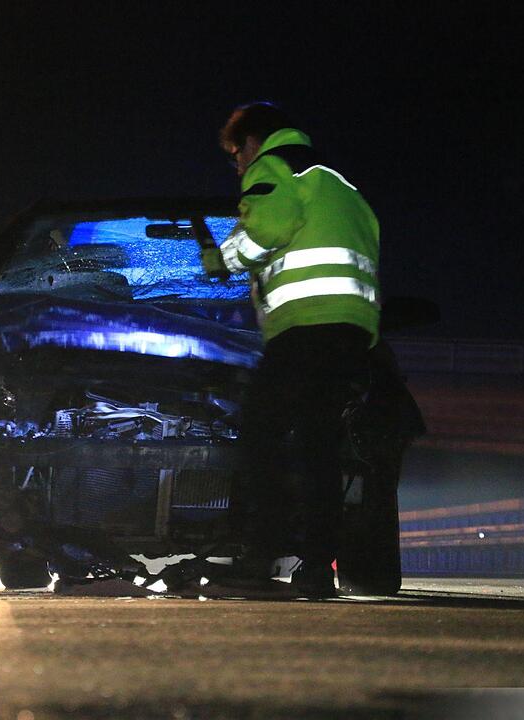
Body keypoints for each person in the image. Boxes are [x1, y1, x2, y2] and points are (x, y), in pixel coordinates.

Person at [200, 102, 384, 597]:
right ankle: (316, 568)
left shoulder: (275, 167)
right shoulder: (338, 184)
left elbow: (268, 229)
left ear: (255, 142)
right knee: (317, 447)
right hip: (348, 332)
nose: (237, 165)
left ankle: (257, 559)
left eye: (237, 152)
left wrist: (222, 259)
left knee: (263, 438)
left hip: (305, 327)